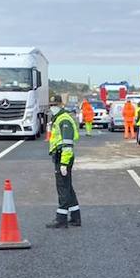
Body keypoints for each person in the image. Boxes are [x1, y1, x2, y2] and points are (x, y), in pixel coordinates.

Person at [47, 94, 81, 228]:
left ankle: (61, 219)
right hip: (61, 156)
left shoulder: (63, 120)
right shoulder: (59, 118)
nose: (52, 108)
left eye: (54, 105)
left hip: (63, 157)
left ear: (61, 105)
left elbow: (67, 144)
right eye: (51, 106)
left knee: (62, 188)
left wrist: (64, 164)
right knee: (67, 187)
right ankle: (75, 217)